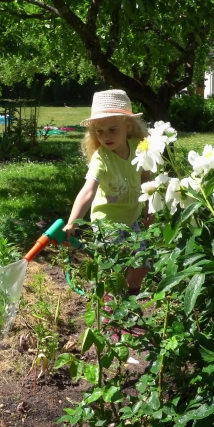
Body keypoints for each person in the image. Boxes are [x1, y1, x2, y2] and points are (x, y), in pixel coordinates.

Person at [63, 89, 152, 296]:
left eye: (112, 129)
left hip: (131, 220)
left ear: (128, 126)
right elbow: (88, 191)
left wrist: (150, 209)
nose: (106, 136)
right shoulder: (101, 158)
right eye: (100, 131)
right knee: (116, 267)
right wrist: (72, 222)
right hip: (107, 223)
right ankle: (110, 310)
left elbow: (147, 180)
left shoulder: (140, 148)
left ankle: (127, 304)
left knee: (142, 265)